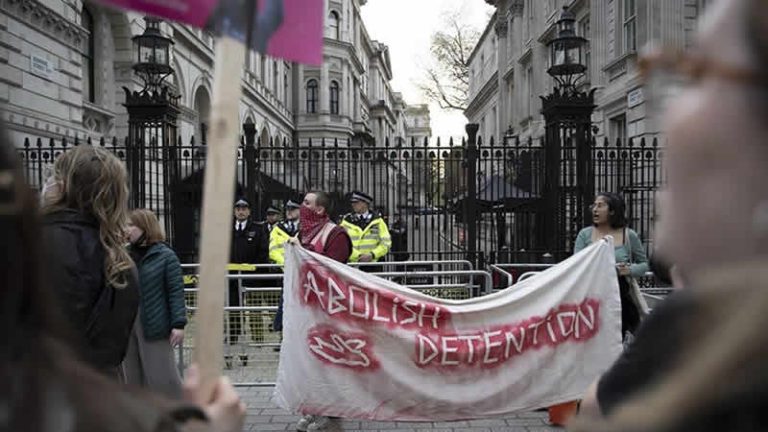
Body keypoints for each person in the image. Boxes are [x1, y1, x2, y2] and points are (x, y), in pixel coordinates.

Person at [573, 0, 768, 430]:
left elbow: (595, 412)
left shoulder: (687, 327)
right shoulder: (698, 325)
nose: (674, 113)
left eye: (698, 73)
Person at [0, 121, 245, 432]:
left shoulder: (35, 245)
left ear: (61, 186)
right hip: (95, 401)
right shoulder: (117, 258)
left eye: (52, 177)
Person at [41, 144, 139, 378]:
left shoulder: (27, 243)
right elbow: (113, 351)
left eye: (52, 176)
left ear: (62, 187)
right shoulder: (121, 263)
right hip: (98, 397)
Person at [291, 191, 351, 432]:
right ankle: (313, 409)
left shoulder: (336, 234)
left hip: (328, 311)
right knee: (307, 363)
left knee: (328, 363)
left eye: (307, 203)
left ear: (320, 210)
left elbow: (332, 270)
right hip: (305, 309)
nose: (301, 206)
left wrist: (302, 255)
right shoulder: (303, 234)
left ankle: (332, 417)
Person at [123, 209, 187, 398]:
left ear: (145, 227)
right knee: (131, 378)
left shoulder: (165, 256)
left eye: (131, 225)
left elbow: (175, 291)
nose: (127, 229)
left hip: (154, 322)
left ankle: (177, 415)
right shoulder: (124, 255)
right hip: (126, 324)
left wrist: (178, 324)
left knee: (162, 377)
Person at [574, 192, 649, 338]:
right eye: (594, 205)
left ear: (613, 211)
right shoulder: (585, 235)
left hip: (620, 298)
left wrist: (628, 270)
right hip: (592, 296)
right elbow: (576, 264)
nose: (595, 209)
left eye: (600, 205)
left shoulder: (628, 235)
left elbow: (644, 265)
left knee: (616, 339)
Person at [228, 198, 267, 365]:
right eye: (238, 208)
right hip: (231, 277)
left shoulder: (258, 229)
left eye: (244, 208)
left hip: (251, 277)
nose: (241, 211)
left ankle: (257, 338)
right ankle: (234, 336)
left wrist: (254, 269)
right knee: (233, 309)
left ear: (249, 211)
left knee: (253, 309)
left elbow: (263, 251)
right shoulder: (228, 230)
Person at [270, 199, 301, 340]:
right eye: (288, 209)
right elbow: (273, 250)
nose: (289, 212)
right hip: (286, 271)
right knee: (285, 304)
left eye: (293, 209)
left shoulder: (306, 227)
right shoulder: (278, 228)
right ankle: (283, 337)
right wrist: (286, 263)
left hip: (302, 272)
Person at [340, 191, 392, 272]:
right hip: (352, 265)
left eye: (356, 202)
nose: (353, 205)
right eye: (352, 202)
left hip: (373, 266)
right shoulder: (346, 222)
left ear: (365, 203)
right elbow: (342, 244)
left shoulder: (378, 221)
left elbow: (386, 243)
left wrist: (372, 255)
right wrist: (358, 256)